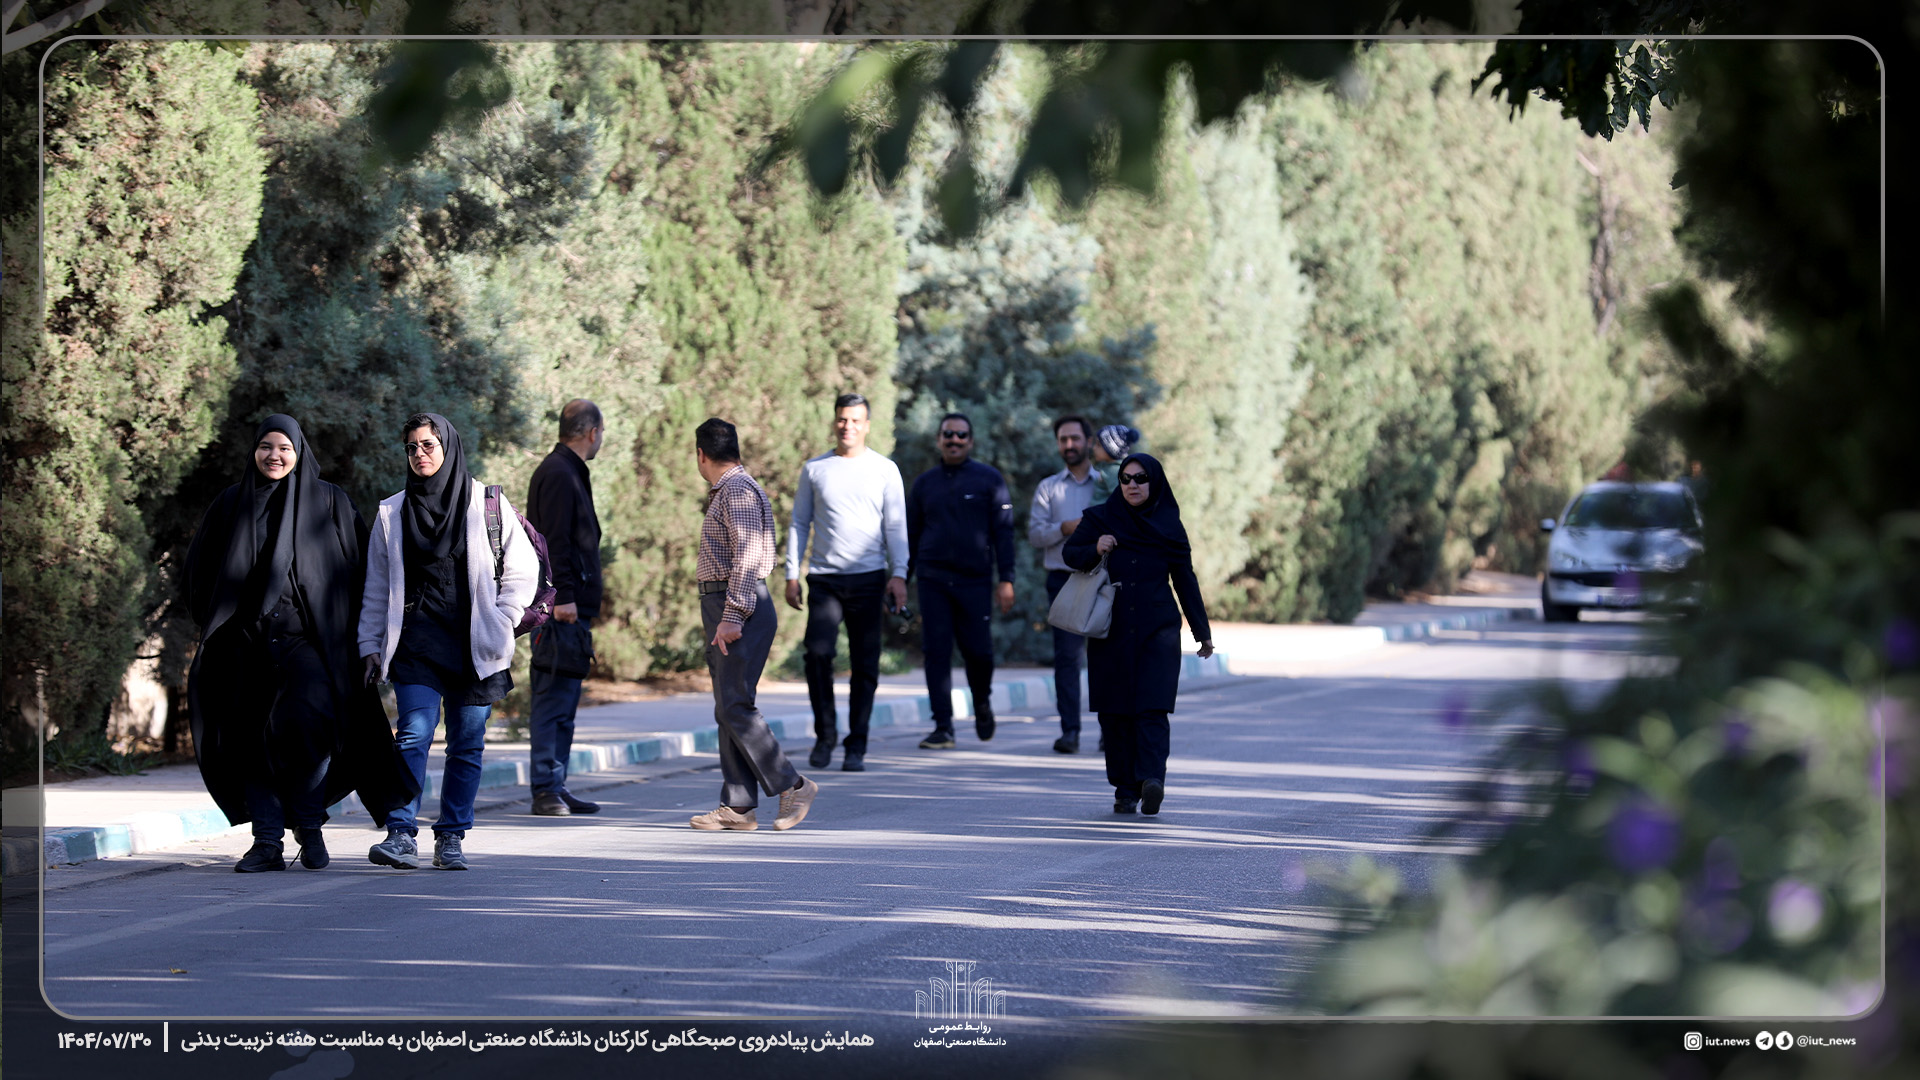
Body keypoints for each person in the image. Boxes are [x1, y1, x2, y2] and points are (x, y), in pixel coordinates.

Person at [185, 415, 415, 872]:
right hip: (244, 645)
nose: (274, 456)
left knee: (310, 731)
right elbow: (199, 572)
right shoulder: (230, 503)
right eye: (265, 446)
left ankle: (308, 825)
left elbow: (362, 574)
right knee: (249, 740)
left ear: (299, 452)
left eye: (284, 448)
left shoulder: (329, 501)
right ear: (254, 450)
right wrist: (218, 625)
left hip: (312, 644)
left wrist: (366, 640)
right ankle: (267, 842)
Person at [359, 412, 538, 870]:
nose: (420, 454)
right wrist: (370, 643)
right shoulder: (392, 512)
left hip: (474, 645)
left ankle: (452, 836)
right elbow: (376, 587)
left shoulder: (486, 503)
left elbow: (523, 569)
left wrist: (504, 618)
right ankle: (401, 833)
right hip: (415, 643)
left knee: (466, 743)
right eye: (412, 447)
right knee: (413, 735)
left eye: (428, 445)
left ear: (448, 447)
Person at [1062, 453, 1215, 817]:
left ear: (1155, 482)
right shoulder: (1100, 518)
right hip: (1109, 631)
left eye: (1141, 478)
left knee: (1152, 707)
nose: (1132, 485)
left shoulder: (1169, 526)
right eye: (1126, 478)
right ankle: (1125, 789)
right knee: (1114, 712)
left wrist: (1202, 632)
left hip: (1157, 630)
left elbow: (1185, 580)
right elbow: (1070, 554)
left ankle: (1152, 779)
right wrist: (1095, 547)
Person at [694, 417, 819, 831]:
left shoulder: (737, 490)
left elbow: (747, 557)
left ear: (701, 455)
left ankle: (794, 785)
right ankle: (738, 806)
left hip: (736, 605)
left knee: (736, 705)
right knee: (727, 707)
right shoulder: (732, 489)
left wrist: (732, 615)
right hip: (726, 602)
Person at [784, 392, 910, 773]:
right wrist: (791, 573)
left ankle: (857, 744)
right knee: (817, 653)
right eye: (842, 419)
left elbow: (896, 526)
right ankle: (825, 736)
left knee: (865, 663)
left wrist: (899, 574)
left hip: (869, 579)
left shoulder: (885, 469)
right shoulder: (815, 469)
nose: (848, 426)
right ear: (834, 421)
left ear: (867, 425)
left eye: (855, 420)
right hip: (825, 579)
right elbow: (799, 522)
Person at [906, 413, 1015, 749]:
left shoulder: (989, 479)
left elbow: (1004, 533)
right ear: (939, 439)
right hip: (933, 580)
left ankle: (981, 702)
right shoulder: (924, 484)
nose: (954, 440)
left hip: (975, 582)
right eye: (948, 434)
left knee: (979, 653)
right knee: (936, 652)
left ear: (971, 440)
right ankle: (943, 726)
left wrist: (1006, 579)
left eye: (961, 435)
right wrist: (900, 579)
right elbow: (911, 535)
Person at [525, 398, 605, 817]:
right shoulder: (558, 472)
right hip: (560, 610)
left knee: (566, 704)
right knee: (552, 701)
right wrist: (564, 597)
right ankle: (544, 788)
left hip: (571, 609)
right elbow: (554, 541)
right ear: (592, 432)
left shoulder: (569, 470)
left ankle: (556, 783)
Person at [1027, 415, 1101, 754]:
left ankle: (1110, 731)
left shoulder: (1107, 484)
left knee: (1105, 658)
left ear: (1089, 441)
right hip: (1063, 581)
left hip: (1103, 579)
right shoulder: (1048, 488)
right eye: (1063, 439)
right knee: (1067, 659)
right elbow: (1035, 535)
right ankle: (1070, 731)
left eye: (1075, 438)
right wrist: (1065, 528)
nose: (1069, 445)